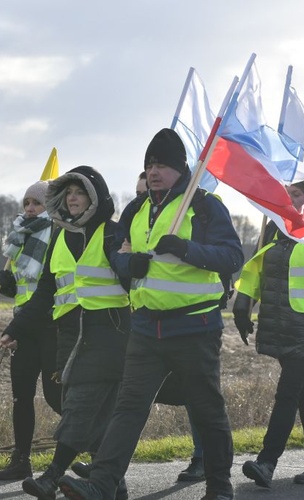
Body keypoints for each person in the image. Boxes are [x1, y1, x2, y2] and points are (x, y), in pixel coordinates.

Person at [57, 128, 244, 500]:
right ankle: (101, 485)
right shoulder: (135, 209)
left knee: (206, 409)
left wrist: (187, 249)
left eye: (162, 164)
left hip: (195, 327)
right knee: (128, 409)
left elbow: (233, 257)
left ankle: (220, 487)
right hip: (144, 328)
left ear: (181, 168)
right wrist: (129, 265)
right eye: (149, 164)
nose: (154, 170)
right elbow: (118, 256)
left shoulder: (204, 206)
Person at [0, 166, 130, 500]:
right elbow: (45, 291)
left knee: (78, 405)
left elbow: (132, 280)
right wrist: (16, 327)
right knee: (89, 408)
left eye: (80, 192)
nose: (73, 199)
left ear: (94, 198)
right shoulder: (58, 235)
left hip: (108, 329)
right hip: (69, 332)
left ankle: (50, 477)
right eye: (68, 193)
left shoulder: (113, 233)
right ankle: (113, 479)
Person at [70, 168, 206, 484]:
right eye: (137, 193)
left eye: (145, 193)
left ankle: (204, 458)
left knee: (194, 393)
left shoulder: (183, 218)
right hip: (141, 325)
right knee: (128, 401)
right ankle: (107, 467)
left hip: (182, 325)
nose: (141, 198)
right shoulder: (129, 227)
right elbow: (121, 271)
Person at [232, 176, 304, 488]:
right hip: (281, 325)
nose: (288, 199)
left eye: (295, 194)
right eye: (285, 193)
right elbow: (260, 268)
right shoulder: (277, 227)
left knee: (287, 393)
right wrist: (243, 304)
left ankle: (267, 461)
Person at [0, 181, 63, 481]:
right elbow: (25, 287)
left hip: (50, 323)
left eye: (37, 203)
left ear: (50, 206)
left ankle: (95, 451)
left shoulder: (57, 234)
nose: (30, 209)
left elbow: (48, 286)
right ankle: (21, 460)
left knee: (55, 395)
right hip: (24, 324)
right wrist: (8, 286)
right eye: (27, 203)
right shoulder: (21, 236)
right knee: (21, 397)